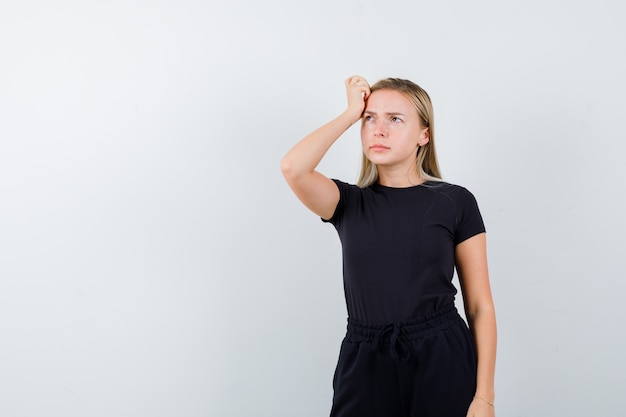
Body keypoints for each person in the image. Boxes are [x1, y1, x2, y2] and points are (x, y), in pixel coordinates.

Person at [280, 75, 496, 417]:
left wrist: (484, 397)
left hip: (441, 357)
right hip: (365, 362)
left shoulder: (455, 202)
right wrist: (351, 112)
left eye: (395, 119)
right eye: (370, 119)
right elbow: (293, 167)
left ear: (424, 135)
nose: (378, 130)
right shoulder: (347, 203)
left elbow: (480, 306)